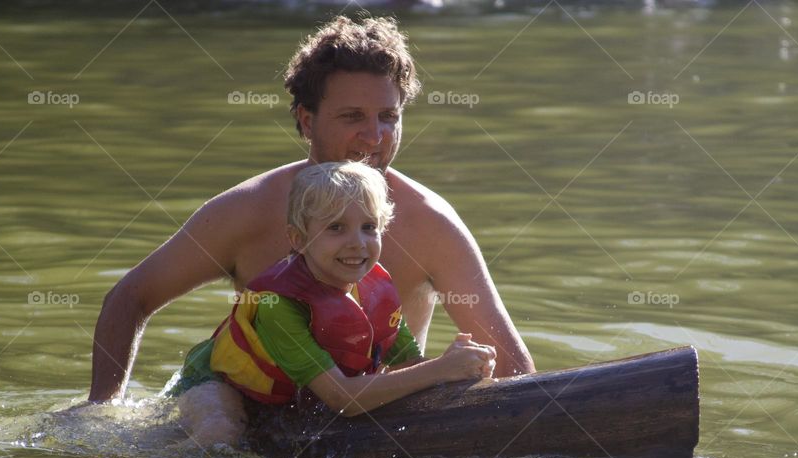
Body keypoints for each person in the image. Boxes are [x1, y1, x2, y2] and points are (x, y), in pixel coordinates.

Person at [88, 14, 534, 407]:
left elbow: (517, 371)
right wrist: (102, 410)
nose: (375, 136)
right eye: (352, 116)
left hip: (375, 414)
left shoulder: (430, 224)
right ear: (306, 120)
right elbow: (129, 298)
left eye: (388, 117)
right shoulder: (247, 210)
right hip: (246, 416)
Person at [178, 161, 495, 446]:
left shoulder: (378, 289)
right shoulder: (278, 305)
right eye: (335, 228)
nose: (357, 242)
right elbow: (342, 398)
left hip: (286, 397)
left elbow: (409, 368)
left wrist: (462, 367)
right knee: (219, 435)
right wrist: (441, 369)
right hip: (219, 382)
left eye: (369, 227)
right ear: (299, 239)